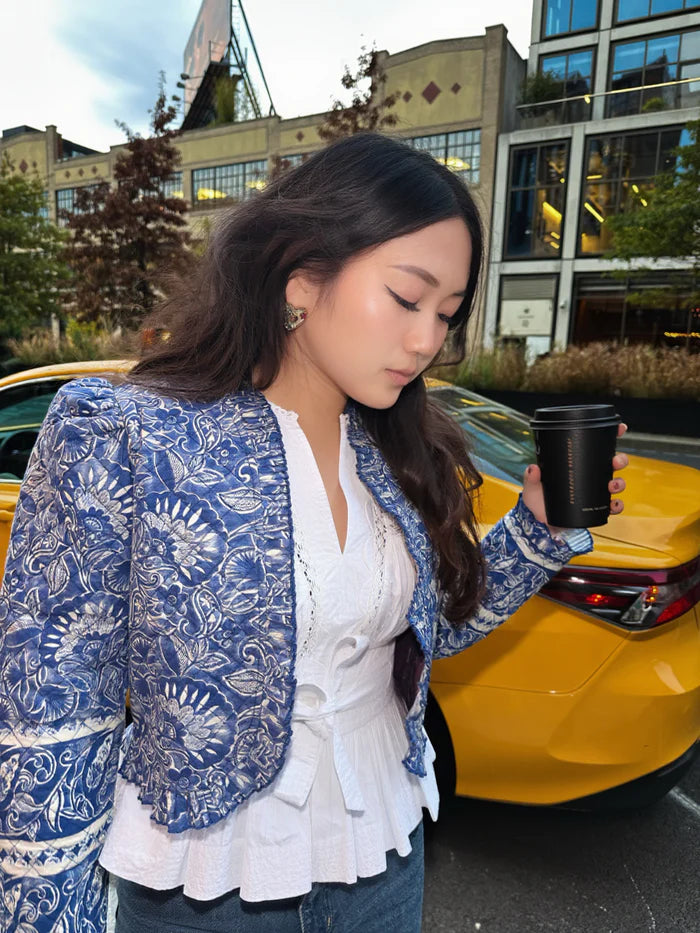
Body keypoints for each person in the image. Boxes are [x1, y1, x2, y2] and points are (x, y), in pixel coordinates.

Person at [0, 133, 628, 933]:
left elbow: (427, 631)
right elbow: (54, 706)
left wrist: (537, 530)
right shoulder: (126, 430)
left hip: (383, 858)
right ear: (301, 276)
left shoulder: (399, 450)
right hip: (206, 882)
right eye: (407, 298)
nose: (428, 340)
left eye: (446, 313)